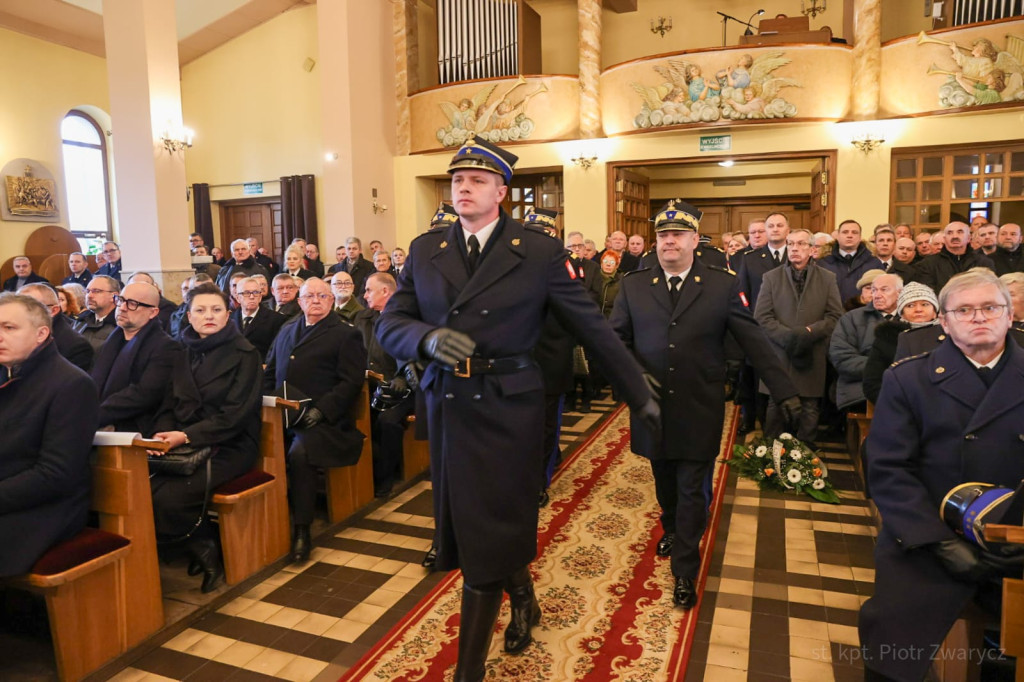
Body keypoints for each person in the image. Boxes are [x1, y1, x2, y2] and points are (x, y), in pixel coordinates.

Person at [377, 137, 657, 682]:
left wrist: (637, 391)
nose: (464, 187)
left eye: (478, 180)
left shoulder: (538, 251)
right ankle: (524, 599)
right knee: (474, 526)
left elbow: (589, 324)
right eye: (457, 179)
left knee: (487, 536)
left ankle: (468, 673)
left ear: (502, 192)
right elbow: (392, 321)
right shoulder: (425, 249)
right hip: (450, 405)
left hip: (508, 407)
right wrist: (427, 339)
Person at [610, 199, 799, 610]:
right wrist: (630, 383)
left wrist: (786, 391)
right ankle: (673, 526)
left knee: (693, 486)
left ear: (695, 239)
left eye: (677, 234)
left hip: (699, 404)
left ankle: (684, 569)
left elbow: (753, 340)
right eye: (663, 235)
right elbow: (616, 341)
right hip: (651, 406)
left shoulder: (722, 283)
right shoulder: (634, 284)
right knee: (664, 478)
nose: (669, 242)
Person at [860, 268, 1024, 681]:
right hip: (928, 536)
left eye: (990, 307)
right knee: (891, 644)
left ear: (1009, 315)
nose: (979, 317)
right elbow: (888, 468)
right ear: (945, 322)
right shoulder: (909, 378)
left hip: (1018, 537)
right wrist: (938, 543)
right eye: (964, 310)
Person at [147, 282, 262, 593]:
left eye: (216, 309)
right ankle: (191, 543)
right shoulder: (181, 349)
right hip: (185, 441)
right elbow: (168, 401)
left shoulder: (245, 354)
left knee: (172, 497)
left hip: (230, 443)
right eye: (200, 310)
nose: (208, 315)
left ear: (228, 314)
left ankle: (206, 547)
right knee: (145, 488)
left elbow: (235, 415)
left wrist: (184, 435)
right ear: (189, 314)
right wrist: (163, 433)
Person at [264, 278, 367, 563]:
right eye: (310, 296)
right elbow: (271, 373)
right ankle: (268, 524)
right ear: (300, 301)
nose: (316, 301)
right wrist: (265, 404)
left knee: (300, 453)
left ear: (332, 300)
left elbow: (351, 382)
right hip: (283, 415)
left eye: (323, 295)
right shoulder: (286, 330)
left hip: (324, 421)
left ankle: (302, 529)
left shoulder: (345, 334)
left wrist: (321, 411)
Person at [0, 293, 98, 577]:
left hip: (45, 508)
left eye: (10, 328)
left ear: (41, 333)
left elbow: (56, 474)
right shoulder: (7, 372)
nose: (0, 336)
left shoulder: (71, 384)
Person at [754, 228, 844, 443]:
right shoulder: (771, 278)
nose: (795, 248)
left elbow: (835, 316)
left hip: (812, 350)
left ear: (812, 249)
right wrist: (788, 336)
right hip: (779, 350)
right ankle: (771, 455)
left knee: (809, 406)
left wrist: (808, 333)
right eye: (791, 244)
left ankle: (805, 455)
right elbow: (762, 317)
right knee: (776, 404)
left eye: (801, 244)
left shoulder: (827, 278)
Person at [91, 282, 182, 435]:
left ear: (153, 312)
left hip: (133, 427)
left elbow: (144, 394)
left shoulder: (165, 347)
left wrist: (94, 416)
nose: (122, 307)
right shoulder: (111, 341)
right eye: (120, 300)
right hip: (99, 419)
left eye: (133, 304)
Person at [353, 272, 413, 498]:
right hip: (367, 384)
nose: (364, 295)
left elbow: (413, 352)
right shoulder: (363, 318)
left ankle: (385, 477)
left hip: (401, 388)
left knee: (387, 421)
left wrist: (402, 376)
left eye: (368, 290)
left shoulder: (406, 317)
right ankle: (362, 474)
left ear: (385, 291)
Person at [829, 273, 902, 415]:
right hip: (859, 392)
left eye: (884, 290)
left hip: (903, 390)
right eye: (874, 290)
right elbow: (841, 358)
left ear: (899, 293)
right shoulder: (851, 318)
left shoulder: (909, 318)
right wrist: (883, 369)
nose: (877, 295)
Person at [862, 281, 939, 404]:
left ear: (935, 311)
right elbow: (872, 383)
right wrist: (899, 405)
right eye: (910, 306)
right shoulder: (887, 338)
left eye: (925, 304)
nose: (918, 309)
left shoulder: (950, 336)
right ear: (901, 312)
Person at [20, 283, 94, 372]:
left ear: (53, 310)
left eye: (30, 307)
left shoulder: (75, 346)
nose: (20, 313)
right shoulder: (16, 333)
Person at [912, 221, 996, 293]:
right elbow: (928, 294)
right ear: (944, 239)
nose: (955, 236)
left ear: (968, 238)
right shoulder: (927, 264)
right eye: (950, 233)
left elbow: (989, 291)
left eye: (960, 232)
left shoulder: (984, 263)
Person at [819, 219, 884, 302]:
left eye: (854, 232)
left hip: (864, 312)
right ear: (838, 236)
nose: (849, 235)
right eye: (845, 232)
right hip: (832, 313)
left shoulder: (874, 263)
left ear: (860, 237)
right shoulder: (823, 264)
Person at [231, 276, 286, 362]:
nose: (252, 296)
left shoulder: (276, 319)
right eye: (246, 293)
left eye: (256, 292)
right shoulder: (229, 319)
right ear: (238, 298)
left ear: (260, 297)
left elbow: (276, 351)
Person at [72, 275, 120, 351]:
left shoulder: (120, 324)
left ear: (114, 296)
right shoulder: (80, 321)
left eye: (96, 291)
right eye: (87, 291)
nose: (89, 296)